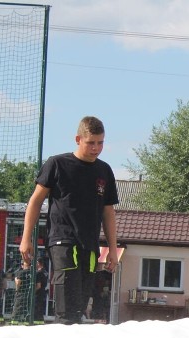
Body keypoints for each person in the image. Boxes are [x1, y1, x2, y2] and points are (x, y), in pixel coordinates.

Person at [20, 116, 120, 324]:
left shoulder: (105, 171)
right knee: (67, 309)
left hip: (90, 244)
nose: (96, 148)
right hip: (62, 240)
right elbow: (35, 201)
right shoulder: (57, 164)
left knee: (79, 309)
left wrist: (112, 249)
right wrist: (25, 238)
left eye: (100, 142)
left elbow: (108, 212)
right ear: (78, 139)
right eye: (90, 142)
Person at [11, 258, 34, 324]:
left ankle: (14, 321)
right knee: (27, 308)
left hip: (21, 293)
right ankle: (26, 321)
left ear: (23, 265)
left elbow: (18, 282)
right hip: (29, 293)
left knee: (17, 307)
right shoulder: (33, 273)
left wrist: (16, 290)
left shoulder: (21, 272)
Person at [33, 257, 48, 322]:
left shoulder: (38, 273)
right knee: (40, 308)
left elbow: (38, 286)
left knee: (36, 308)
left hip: (38, 293)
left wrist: (33, 292)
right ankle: (40, 321)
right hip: (43, 292)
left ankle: (36, 321)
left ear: (38, 263)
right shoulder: (45, 272)